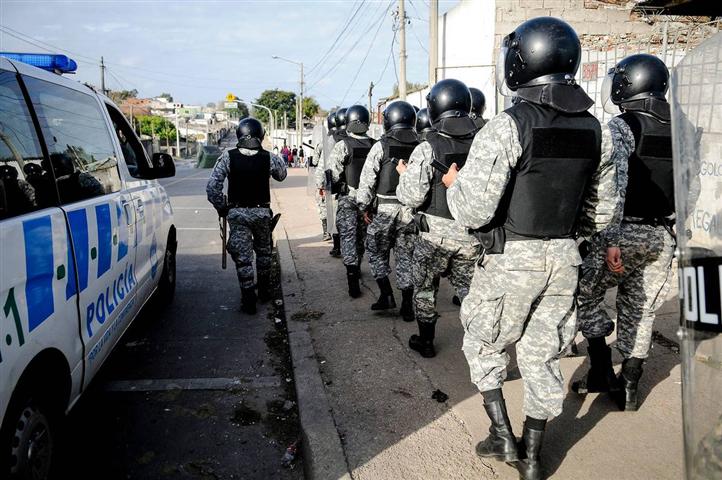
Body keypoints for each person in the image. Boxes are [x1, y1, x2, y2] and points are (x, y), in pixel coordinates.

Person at [443, 18, 618, 479]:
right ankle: (535, 457)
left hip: (510, 260)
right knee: (543, 355)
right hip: (565, 260)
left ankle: (502, 434)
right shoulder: (600, 131)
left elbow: (474, 212)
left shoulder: (506, 126)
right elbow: (601, 214)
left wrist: (456, 185)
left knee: (483, 342)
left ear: (521, 61)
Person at [573, 54, 676, 412]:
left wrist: (612, 238)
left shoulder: (622, 126)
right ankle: (630, 386)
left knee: (584, 293)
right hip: (664, 233)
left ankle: (601, 369)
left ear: (627, 83)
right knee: (642, 307)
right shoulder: (684, 126)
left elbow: (614, 186)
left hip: (623, 231)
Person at [396, 78, 480, 358]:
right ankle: (479, 345)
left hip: (434, 235)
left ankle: (426, 341)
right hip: (472, 234)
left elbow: (411, 196)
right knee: (470, 291)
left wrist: (403, 178)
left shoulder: (427, 145)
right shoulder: (483, 141)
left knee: (425, 289)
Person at [206, 117, 287, 314]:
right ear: (261, 135)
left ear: (239, 134)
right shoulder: (269, 157)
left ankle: (248, 298)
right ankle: (265, 292)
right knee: (264, 252)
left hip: (238, 214)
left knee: (243, 258)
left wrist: (222, 208)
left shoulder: (228, 156)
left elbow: (212, 187)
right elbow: (282, 175)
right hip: (261, 213)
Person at [356, 101, 418, 320]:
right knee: (406, 257)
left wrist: (363, 207)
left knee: (374, 250)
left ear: (389, 120)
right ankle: (408, 306)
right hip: (411, 211)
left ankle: (386, 294)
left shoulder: (381, 146)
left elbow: (367, 180)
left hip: (385, 210)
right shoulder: (422, 145)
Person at [325, 105, 376, 297]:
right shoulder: (375, 144)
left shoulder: (343, 145)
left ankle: (352, 276)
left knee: (348, 238)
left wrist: (332, 188)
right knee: (361, 238)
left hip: (348, 199)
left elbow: (332, 174)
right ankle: (357, 266)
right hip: (369, 202)